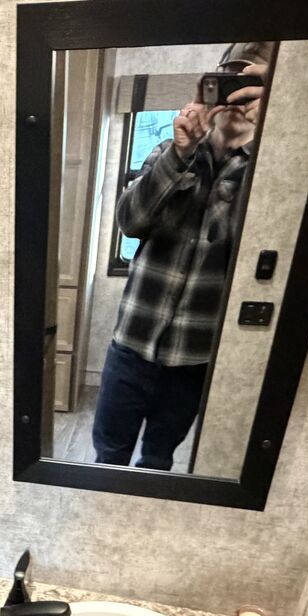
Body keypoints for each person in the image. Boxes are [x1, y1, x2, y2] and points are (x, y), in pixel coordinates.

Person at [91, 42, 271, 470]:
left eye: (248, 84)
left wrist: (271, 137)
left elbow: (257, 251)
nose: (234, 94)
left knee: (158, 462)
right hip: (131, 346)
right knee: (107, 459)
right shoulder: (172, 150)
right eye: (229, 78)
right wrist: (180, 154)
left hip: (193, 358)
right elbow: (129, 221)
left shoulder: (268, 168)